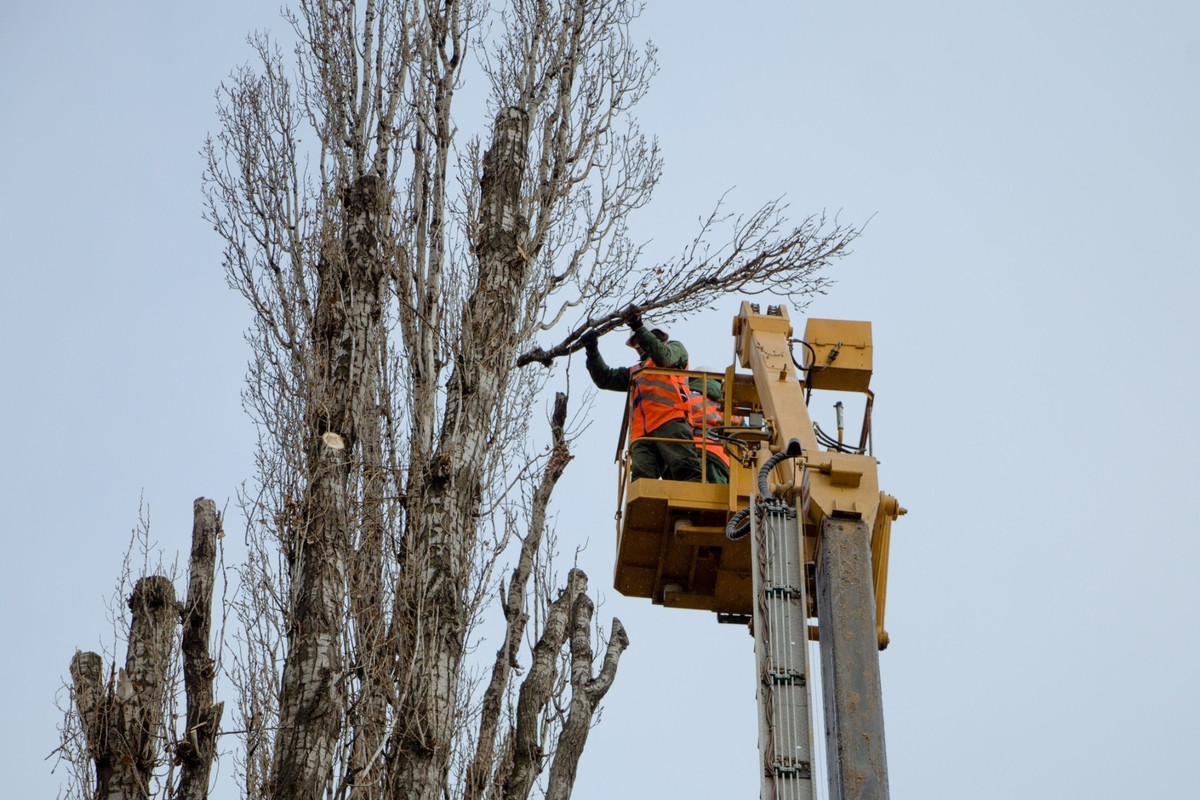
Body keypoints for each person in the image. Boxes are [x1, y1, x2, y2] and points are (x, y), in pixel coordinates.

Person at [582, 311, 702, 482]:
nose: (637, 346)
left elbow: (664, 357)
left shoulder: (675, 349)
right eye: (635, 342)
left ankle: (694, 506)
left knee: (686, 472)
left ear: (656, 336)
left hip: (670, 420)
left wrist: (639, 328)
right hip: (642, 433)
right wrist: (592, 353)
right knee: (642, 482)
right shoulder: (637, 371)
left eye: (639, 340)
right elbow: (605, 379)